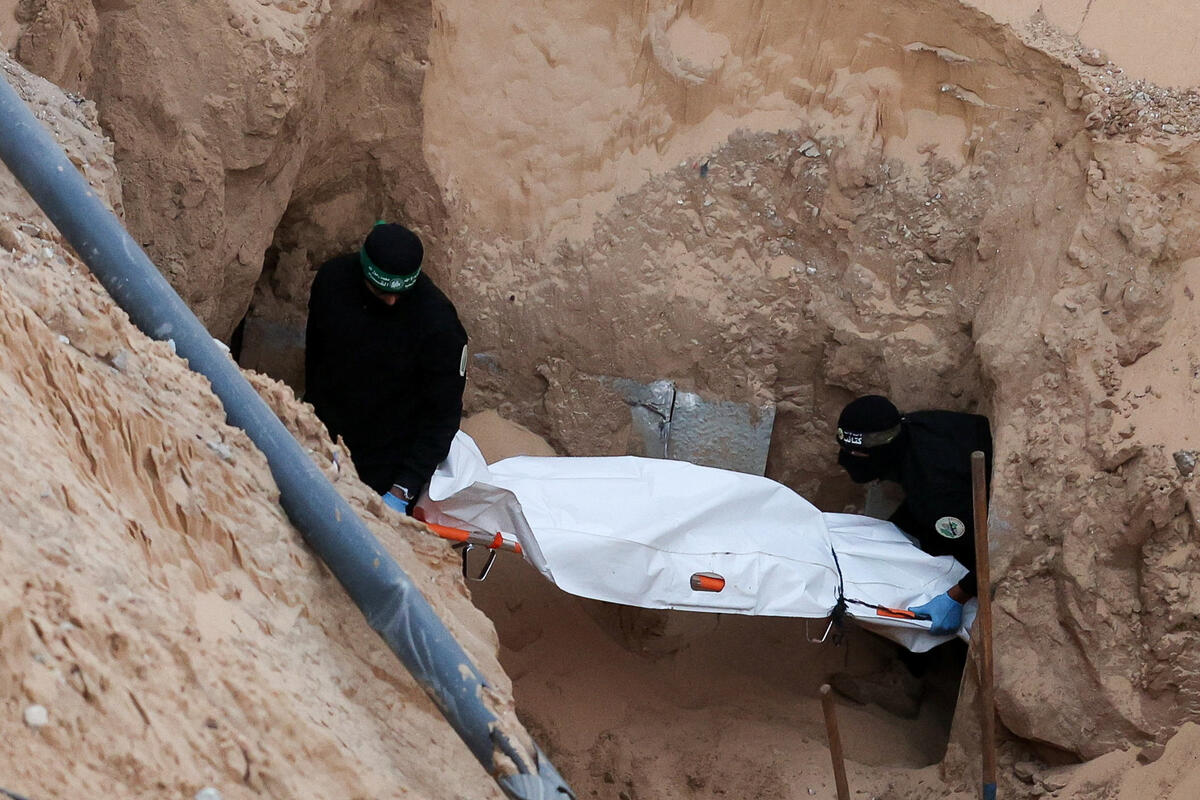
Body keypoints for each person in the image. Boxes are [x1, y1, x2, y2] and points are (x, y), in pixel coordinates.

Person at [830, 394, 992, 716]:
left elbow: (992, 553)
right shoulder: (913, 427)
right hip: (957, 491)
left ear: (882, 453)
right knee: (889, 541)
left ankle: (906, 682)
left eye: (858, 455)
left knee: (916, 579)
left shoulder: (937, 490)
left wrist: (956, 596)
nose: (847, 461)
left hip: (982, 517)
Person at [304, 221, 468, 514]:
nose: (392, 301)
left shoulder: (439, 325)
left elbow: (442, 417)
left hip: (387, 466)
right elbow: (316, 360)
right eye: (381, 292)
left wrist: (402, 490)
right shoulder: (333, 282)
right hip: (326, 446)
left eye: (400, 293)